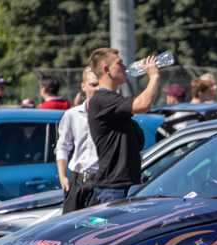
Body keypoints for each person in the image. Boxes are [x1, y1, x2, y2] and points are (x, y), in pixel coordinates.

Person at [87, 48, 161, 205]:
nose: (125, 67)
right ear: (106, 69)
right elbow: (143, 104)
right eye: (119, 63)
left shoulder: (112, 100)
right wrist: (153, 76)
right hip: (114, 187)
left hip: (124, 184)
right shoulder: (102, 100)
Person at [57, 67, 102, 214]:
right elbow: (63, 145)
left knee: (97, 225)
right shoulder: (72, 115)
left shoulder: (110, 115)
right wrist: (63, 177)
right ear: (83, 86)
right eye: (93, 85)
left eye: (100, 84)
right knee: (70, 226)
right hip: (76, 179)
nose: (98, 89)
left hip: (99, 180)